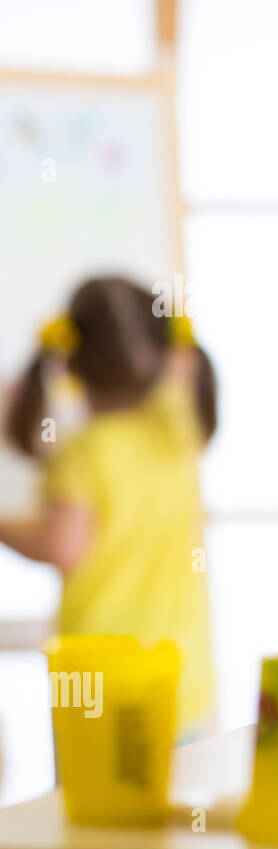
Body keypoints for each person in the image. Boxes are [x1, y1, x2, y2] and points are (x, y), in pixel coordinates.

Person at [1, 276, 219, 744]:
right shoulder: (176, 434)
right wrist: (172, 331)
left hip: (98, 685)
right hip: (182, 684)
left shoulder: (83, 454)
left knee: (94, 816)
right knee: (178, 811)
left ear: (73, 366)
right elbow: (181, 361)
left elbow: (62, 545)